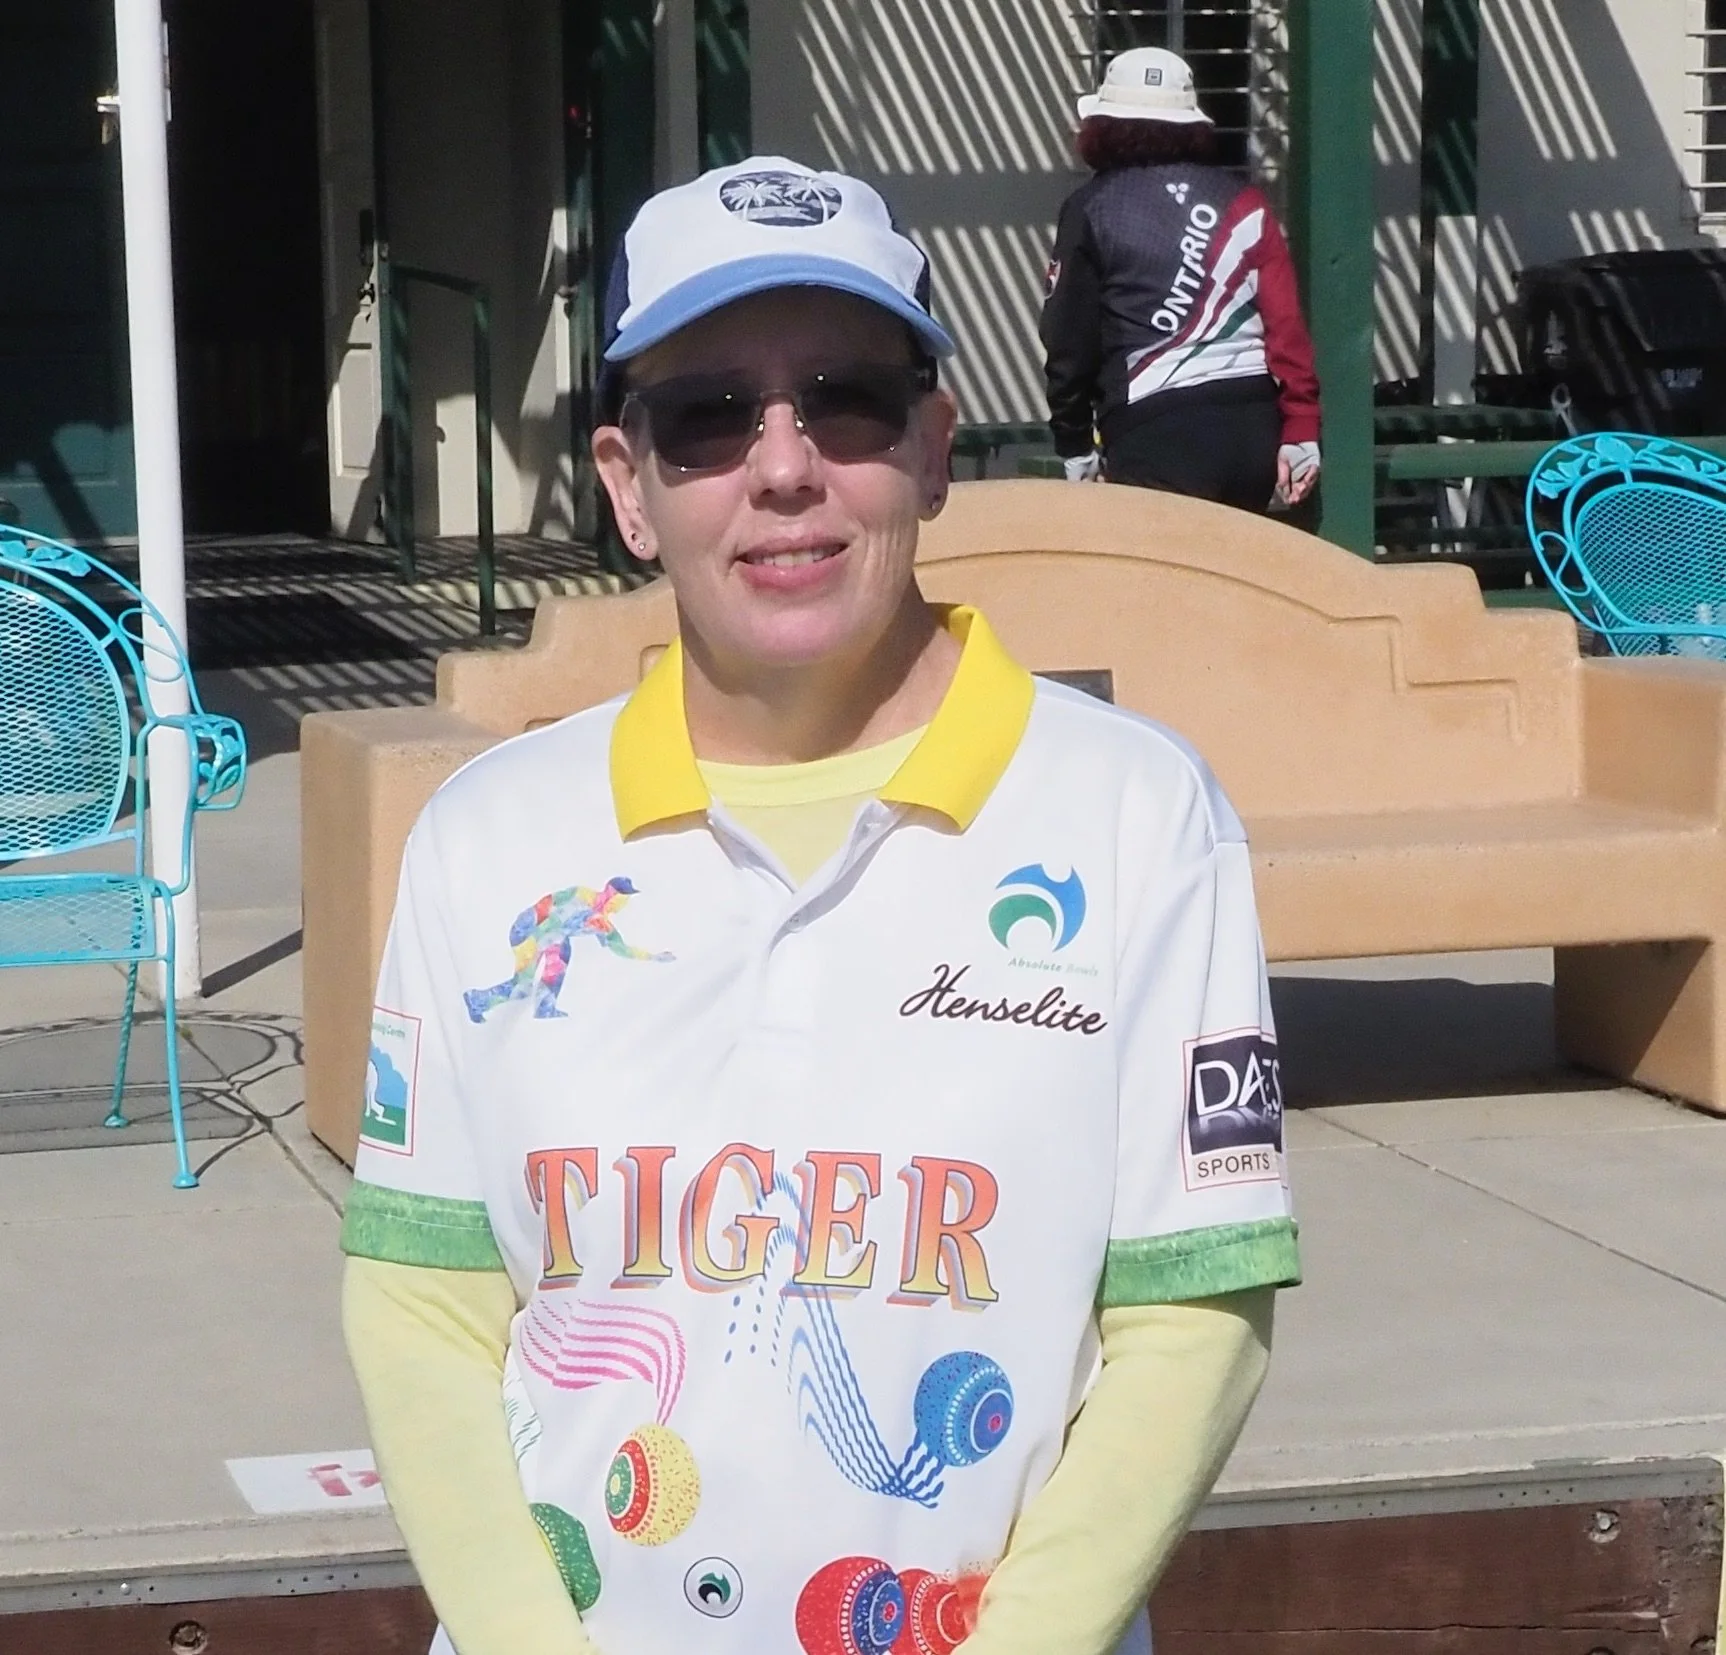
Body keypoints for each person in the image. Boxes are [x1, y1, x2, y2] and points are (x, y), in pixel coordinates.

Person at [341, 154, 1300, 1655]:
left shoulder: (1132, 815)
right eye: (706, 415)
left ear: (929, 447)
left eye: (842, 399)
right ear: (626, 485)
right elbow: (424, 1304)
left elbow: (1195, 1320)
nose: (781, 468)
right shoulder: (489, 839)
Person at [1041, 47, 1322, 513]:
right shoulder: (1245, 202)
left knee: (1160, 583)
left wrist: (1073, 442)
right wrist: (1301, 428)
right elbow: (1287, 327)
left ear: (1102, 127)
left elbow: (1068, 339)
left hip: (1154, 433)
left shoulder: (1090, 208)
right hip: (1255, 431)